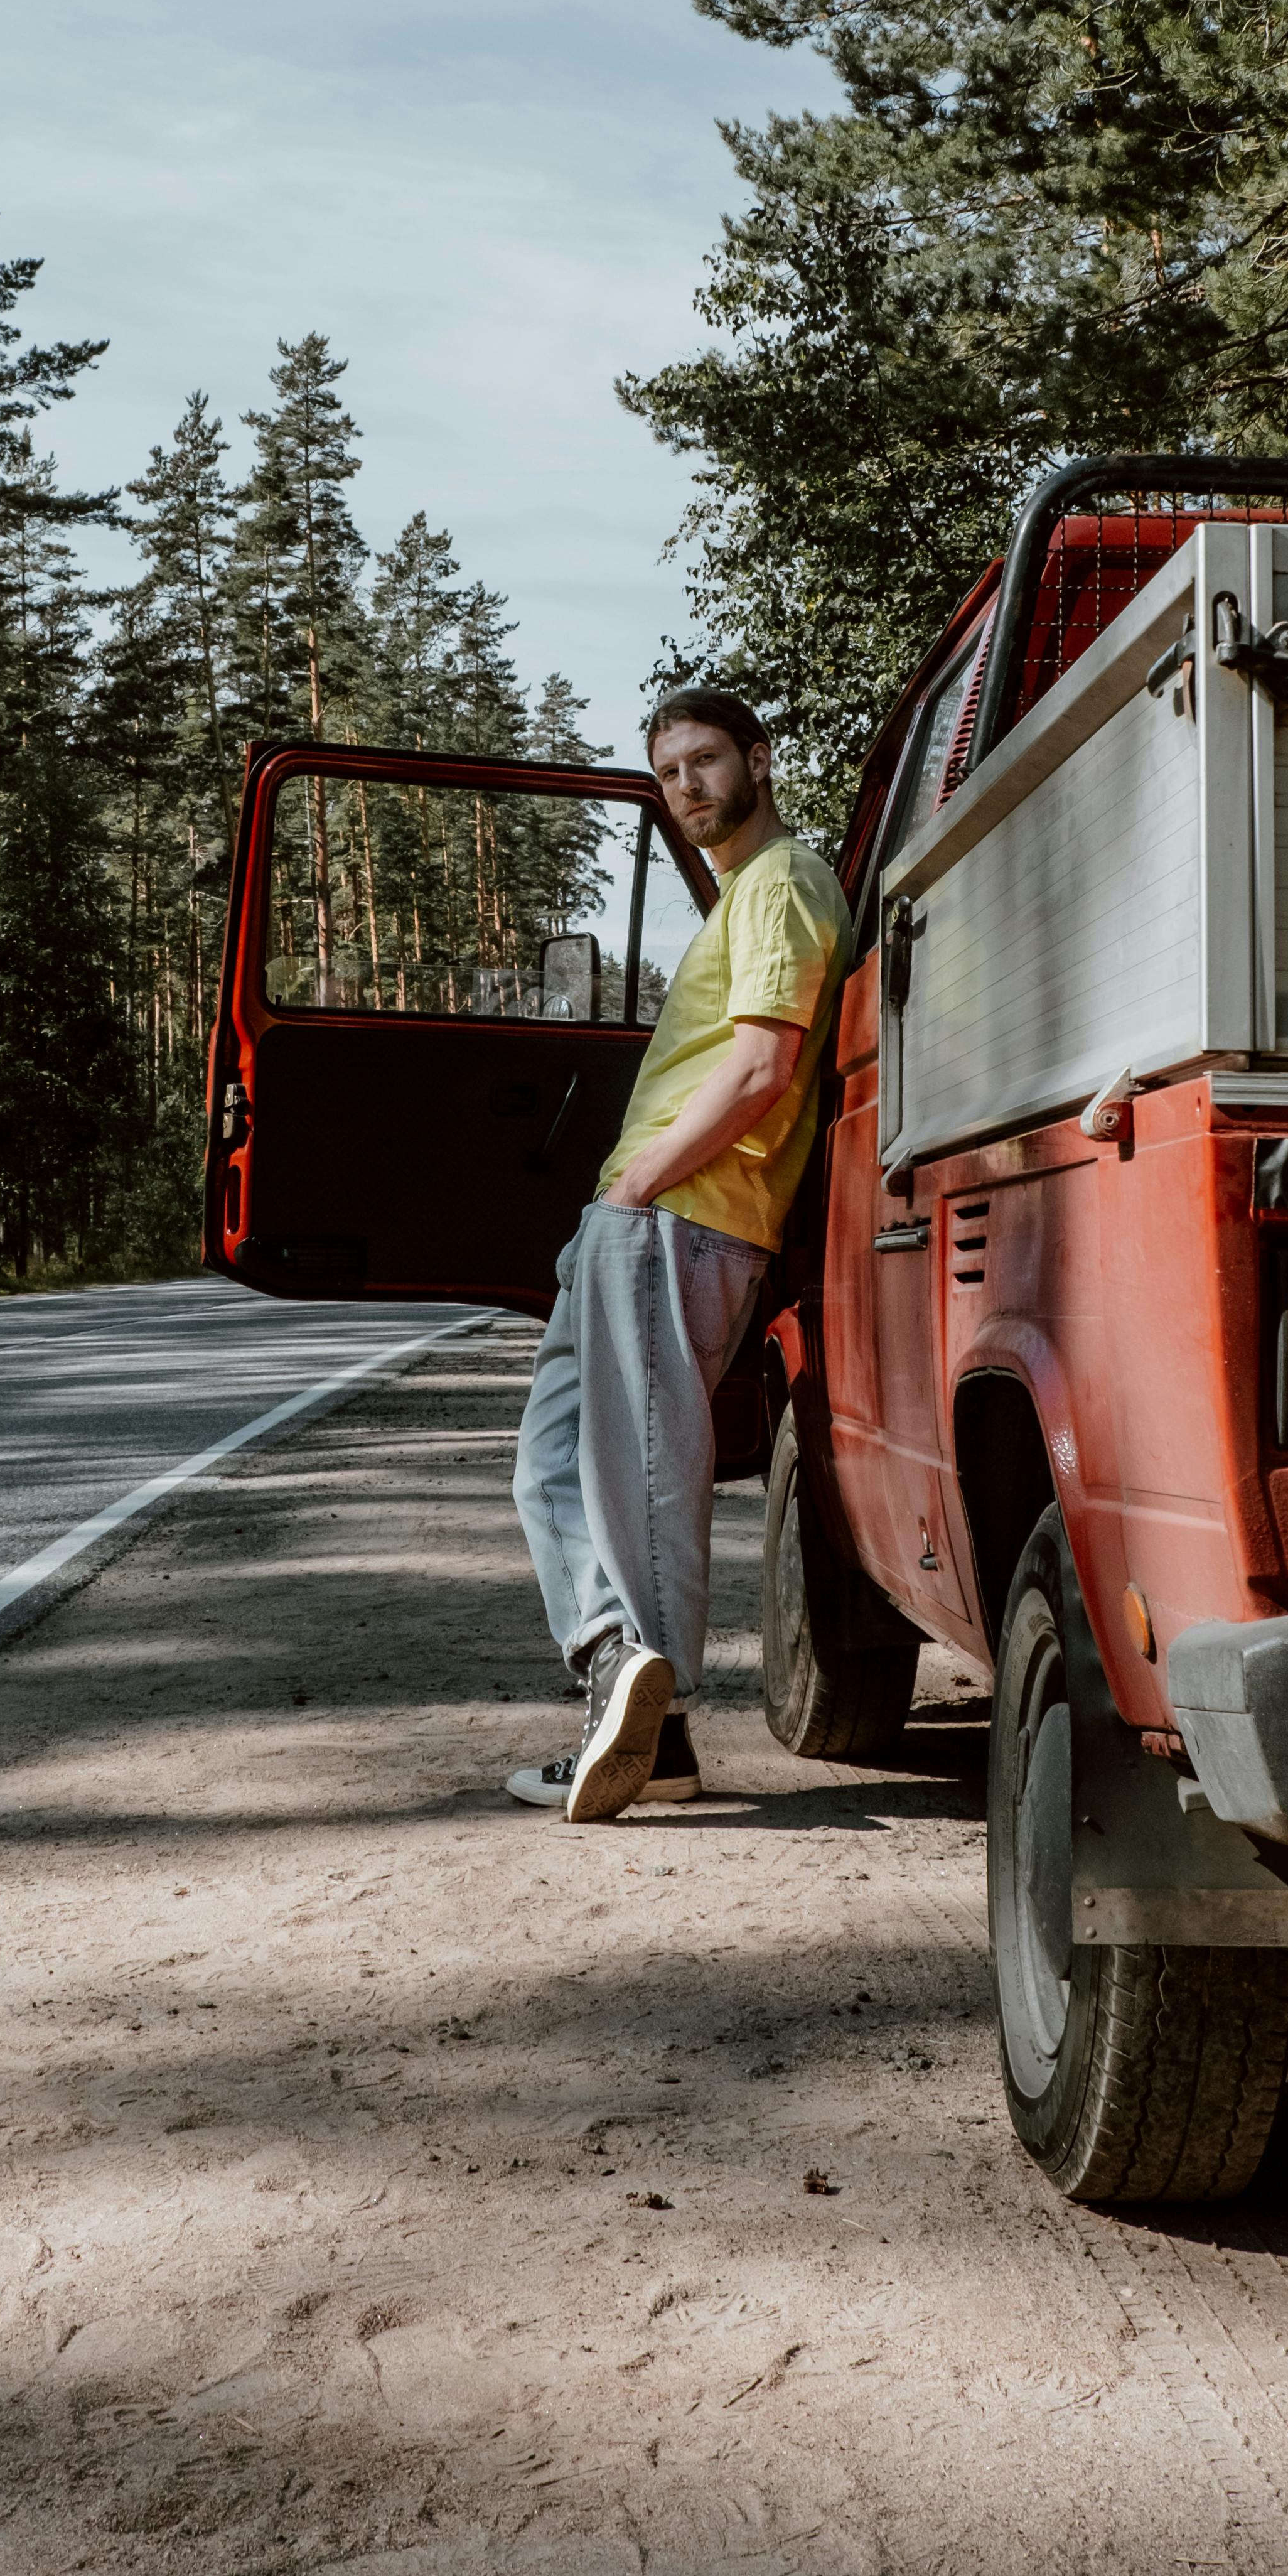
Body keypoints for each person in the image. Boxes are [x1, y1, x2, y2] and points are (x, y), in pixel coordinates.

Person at [508, 689, 853, 1819]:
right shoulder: (740, 898)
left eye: (706, 761)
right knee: (555, 1465)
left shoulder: (786, 885)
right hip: (642, 1214)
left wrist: (644, 1183)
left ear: (758, 759)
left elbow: (761, 1069)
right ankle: (623, 1677)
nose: (688, 787)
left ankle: (655, 1723)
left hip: (684, 1213)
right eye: (669, 774)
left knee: (640, 1467)